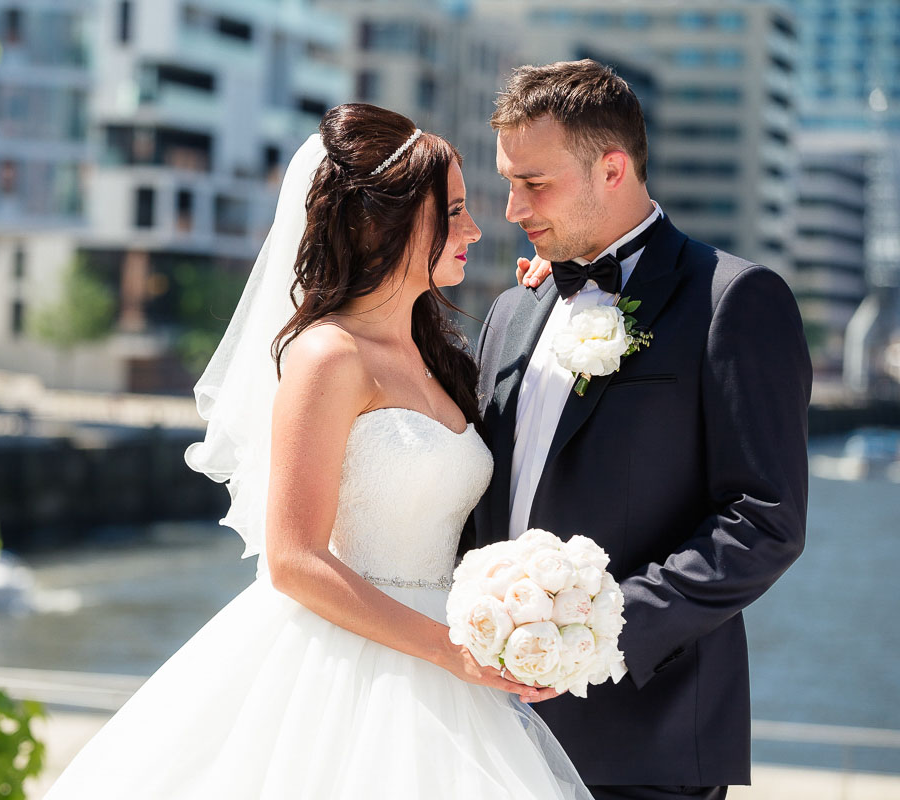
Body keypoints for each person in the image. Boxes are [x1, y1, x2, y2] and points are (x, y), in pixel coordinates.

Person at [43, 104, 592, 799]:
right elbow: (294, 560)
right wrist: (447, 651)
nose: (476, 231)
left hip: (452, 669)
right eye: (452, 213)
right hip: (358, 665)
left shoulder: (436, 355)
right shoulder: (328, 356)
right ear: (383, 221)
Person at [467, 60, 812, 800]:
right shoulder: (510, 311)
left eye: (534, 184)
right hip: (486, 733)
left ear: (612, 168)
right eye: (507, 181)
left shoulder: (734, 300)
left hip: (645, 739)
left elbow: (764, 520)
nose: (511, 209)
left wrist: (595, 638)